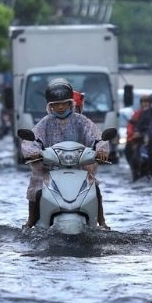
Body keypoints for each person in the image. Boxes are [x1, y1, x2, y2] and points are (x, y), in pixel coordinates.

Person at [21, 79, 110, 229]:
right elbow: (32, 141)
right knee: (36, 188)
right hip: (50, 169)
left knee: (95, 187)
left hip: (79, 167)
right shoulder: (45, 123)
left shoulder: (82, 121)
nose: (61, 107)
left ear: (71, 103)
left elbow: (96, 137)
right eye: (56, 104)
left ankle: (101, 221)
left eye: (64, 103)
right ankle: (30, 222)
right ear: (50, 106)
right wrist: (34, 153)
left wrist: (101, 150)